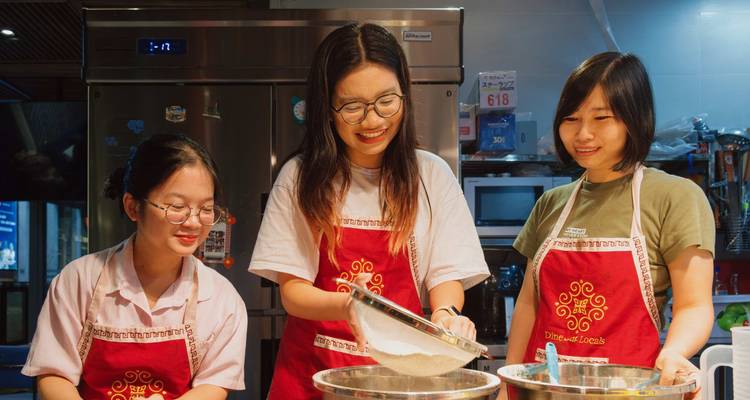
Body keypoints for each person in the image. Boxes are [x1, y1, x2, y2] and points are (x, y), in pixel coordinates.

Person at [249, 23, 489, 399]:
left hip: (399, 379)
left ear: (404, 96)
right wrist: (350, 305)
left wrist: (446, 316)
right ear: (326, 109)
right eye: (352, 107)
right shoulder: (300, 177)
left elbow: (446, 273)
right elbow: (293, 291)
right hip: (312, 377)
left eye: (386, 101)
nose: (373, 120)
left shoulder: (431, 174)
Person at [505, 52, 714, 391]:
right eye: (571, 119)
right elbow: (528, 304)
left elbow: (694, 305)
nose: (583, 133)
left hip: (627, 392)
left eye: (601, 118)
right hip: (546, 391)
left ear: (634, 119)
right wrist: (508, 384)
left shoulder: (675, 197)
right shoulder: (551, 204)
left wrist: (675, 351)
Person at [23, 134, 248, 400]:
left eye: (206, 209)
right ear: (133, 207)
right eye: (177, 207)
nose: (194, 223)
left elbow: (213, 386)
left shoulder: (221, 298)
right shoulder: (79, 279)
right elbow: (54, 374)